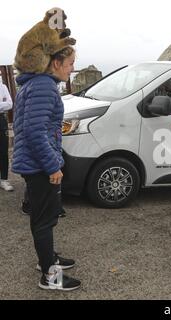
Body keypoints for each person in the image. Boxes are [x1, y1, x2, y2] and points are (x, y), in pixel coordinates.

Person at [12, 46, 81, 291]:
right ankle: (49, 276)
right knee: (44, 220)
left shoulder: (35, 83)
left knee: (46, 217)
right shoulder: (42, 85)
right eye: (70, 63)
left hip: (35, 163)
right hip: (40, 165)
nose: (72, 68)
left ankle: (48, 258)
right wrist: (53, 166)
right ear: (55, 64)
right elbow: (34, 131)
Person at [0, 78, 14, 192]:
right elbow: (5, 104)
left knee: (3, 150)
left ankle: (3, 179)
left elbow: (9, 104)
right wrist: (1, 103)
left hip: (1, 120)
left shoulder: (3, 87)